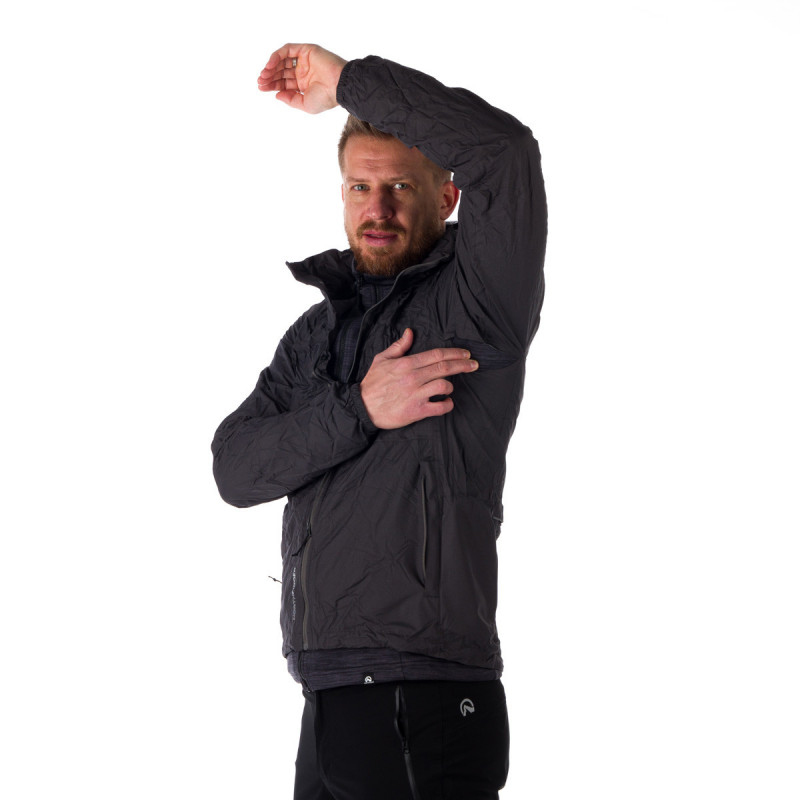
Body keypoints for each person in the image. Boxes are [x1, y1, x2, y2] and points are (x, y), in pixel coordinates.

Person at [212, 42, 547, 800]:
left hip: (426, 695)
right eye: (360, 187)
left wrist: (348, 84)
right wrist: (359, 408)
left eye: (400, 186)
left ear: (447, 197)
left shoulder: (479, 301)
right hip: (329, 691)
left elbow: (505, 154)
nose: (379, 208)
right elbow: (236, 469)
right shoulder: (317, 333)